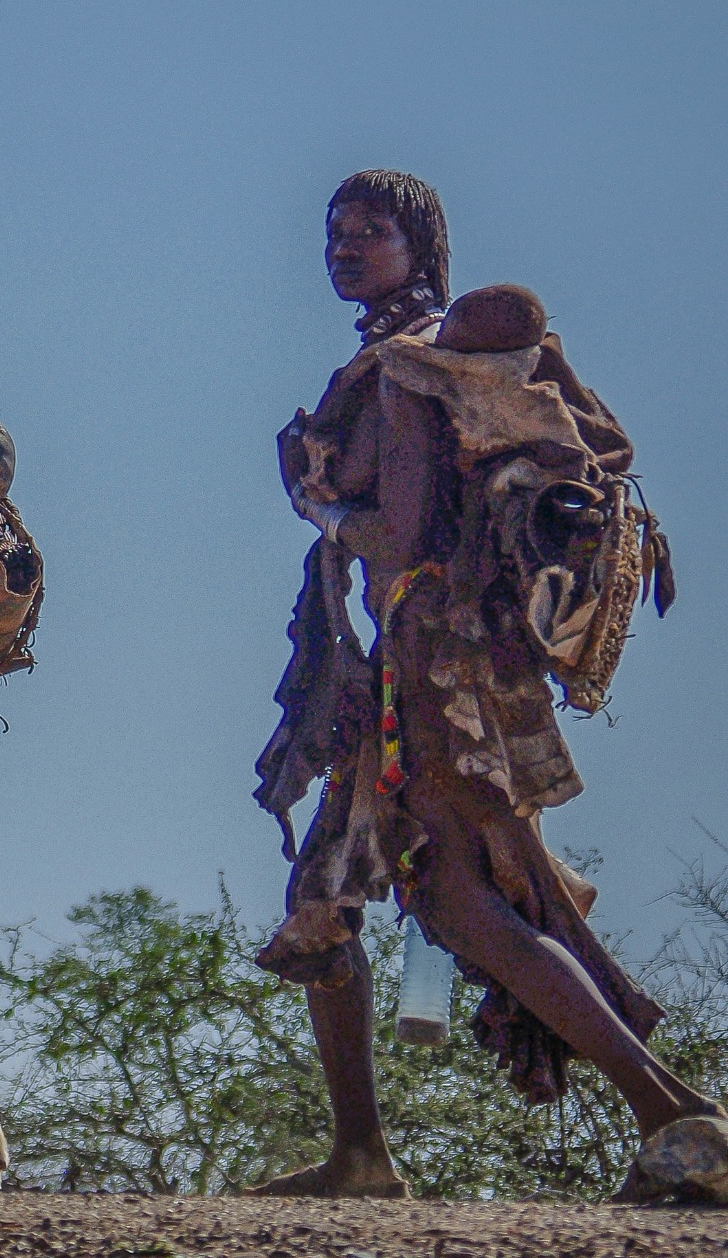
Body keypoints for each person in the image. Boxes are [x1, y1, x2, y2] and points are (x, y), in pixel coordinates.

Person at [249, 169, 723, 1199]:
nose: (342, 248)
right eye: (331, 233)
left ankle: (676, 1122)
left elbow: (404, 534)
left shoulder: (413, 368)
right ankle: (360, 1155)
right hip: (398, 665)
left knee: (465, 904)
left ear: (420, 248)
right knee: (324, 892)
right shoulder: (425, 362)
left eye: (368, 233)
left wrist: (315, 508)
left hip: (432, 665)